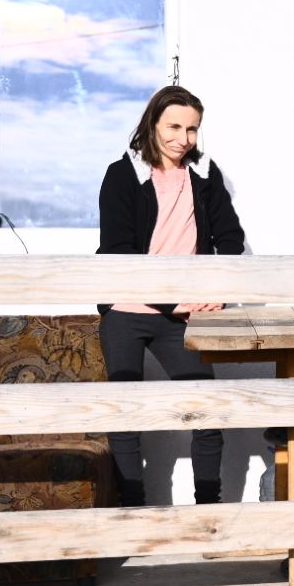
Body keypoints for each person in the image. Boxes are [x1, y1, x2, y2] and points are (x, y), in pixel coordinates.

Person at [96, 84, 246, 507]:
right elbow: (119, 250)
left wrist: (217, 290)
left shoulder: (204, 174)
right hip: (127, 309)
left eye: (193, 129)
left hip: (181, 315)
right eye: (175, 127)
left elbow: (230, 238)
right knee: (126, 414)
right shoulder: (122, 174)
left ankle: (207, 510)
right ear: (153, 124)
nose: (184, 138)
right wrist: (173, 302)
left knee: (206, 411)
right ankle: (133, 512)